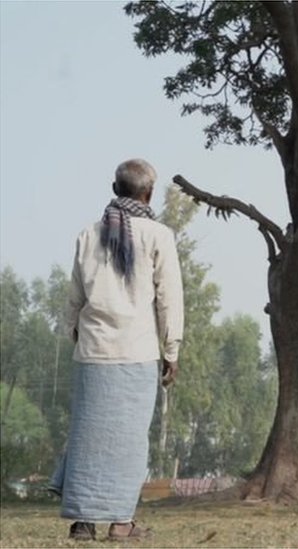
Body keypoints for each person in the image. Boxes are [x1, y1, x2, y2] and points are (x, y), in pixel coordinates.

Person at [48, 159, 183, 541]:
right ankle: (121, 523)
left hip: (93, 351)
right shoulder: (159, 235)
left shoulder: (88, 234)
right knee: (129, 441)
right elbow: (169, 299)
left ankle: (83, 523)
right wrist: (172, 349)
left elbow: (74, 296)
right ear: (149, 193)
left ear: (114, 188)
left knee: (87, 435)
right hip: (137, 352)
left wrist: (72, 332)